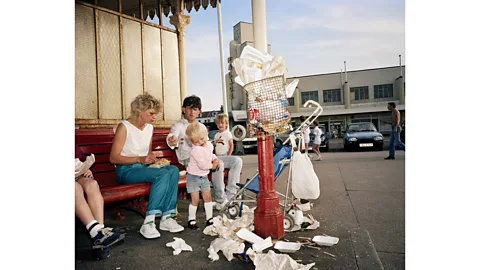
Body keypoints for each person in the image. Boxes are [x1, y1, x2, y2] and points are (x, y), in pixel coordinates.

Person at [110, 93, 184, 240]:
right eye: (151, 113)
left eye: (155, 114)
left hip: (143, 169)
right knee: (162, 174)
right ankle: (148, 222)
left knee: (173, 170)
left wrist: (152, 159)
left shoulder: (149, 128)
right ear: (139, 111)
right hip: (126, 170)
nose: (154, 117)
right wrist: (140, 158)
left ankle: (167, 218)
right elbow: (113, 158)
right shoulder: (124, 127)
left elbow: (147, 154)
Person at [166, 96, 229, 210]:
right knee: (220, 165)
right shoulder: (178, 126)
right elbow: (172, 135)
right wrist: (172, 139)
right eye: (189, 108)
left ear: (199, 111)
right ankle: (221, 199)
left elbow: (207, 144)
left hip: (205, 157)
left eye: (195, 109)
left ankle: (231, 194)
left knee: (236, 161)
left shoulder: (201, 126)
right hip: (190, 160)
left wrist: (213, 154)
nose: (192, 112)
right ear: (183, 109)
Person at [75, 145, 125, 259]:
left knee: (92, 184)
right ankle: (96, 233)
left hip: (76, 176)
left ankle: (100, 236)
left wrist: (86, 169)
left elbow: (81, 160)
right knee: (75, 188)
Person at [184, 122, 217, 229]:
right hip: (193, 177)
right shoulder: (195, 150)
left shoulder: (208, 145)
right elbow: (203, 165)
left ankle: (209, 218)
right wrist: (212, 166)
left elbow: (209, 154)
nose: (200, 142)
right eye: (196, 141)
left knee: (208, 197)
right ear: (192, 142)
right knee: (195, 200)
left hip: (204, 176)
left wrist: (214, 158)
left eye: (202, 139)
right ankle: (191, 218)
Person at [213, 114, 243, 208]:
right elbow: (215, 146)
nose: (220, 125)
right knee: (226, 163)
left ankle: (230, 194)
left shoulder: (227, 133)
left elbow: (231, 145)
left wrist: (229, 155)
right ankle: (225, 197)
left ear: (226, 124)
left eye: (222, 123)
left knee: (236, 161)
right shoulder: (216, 135)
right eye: (218, 123)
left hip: (225, 156)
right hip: (217, 156)